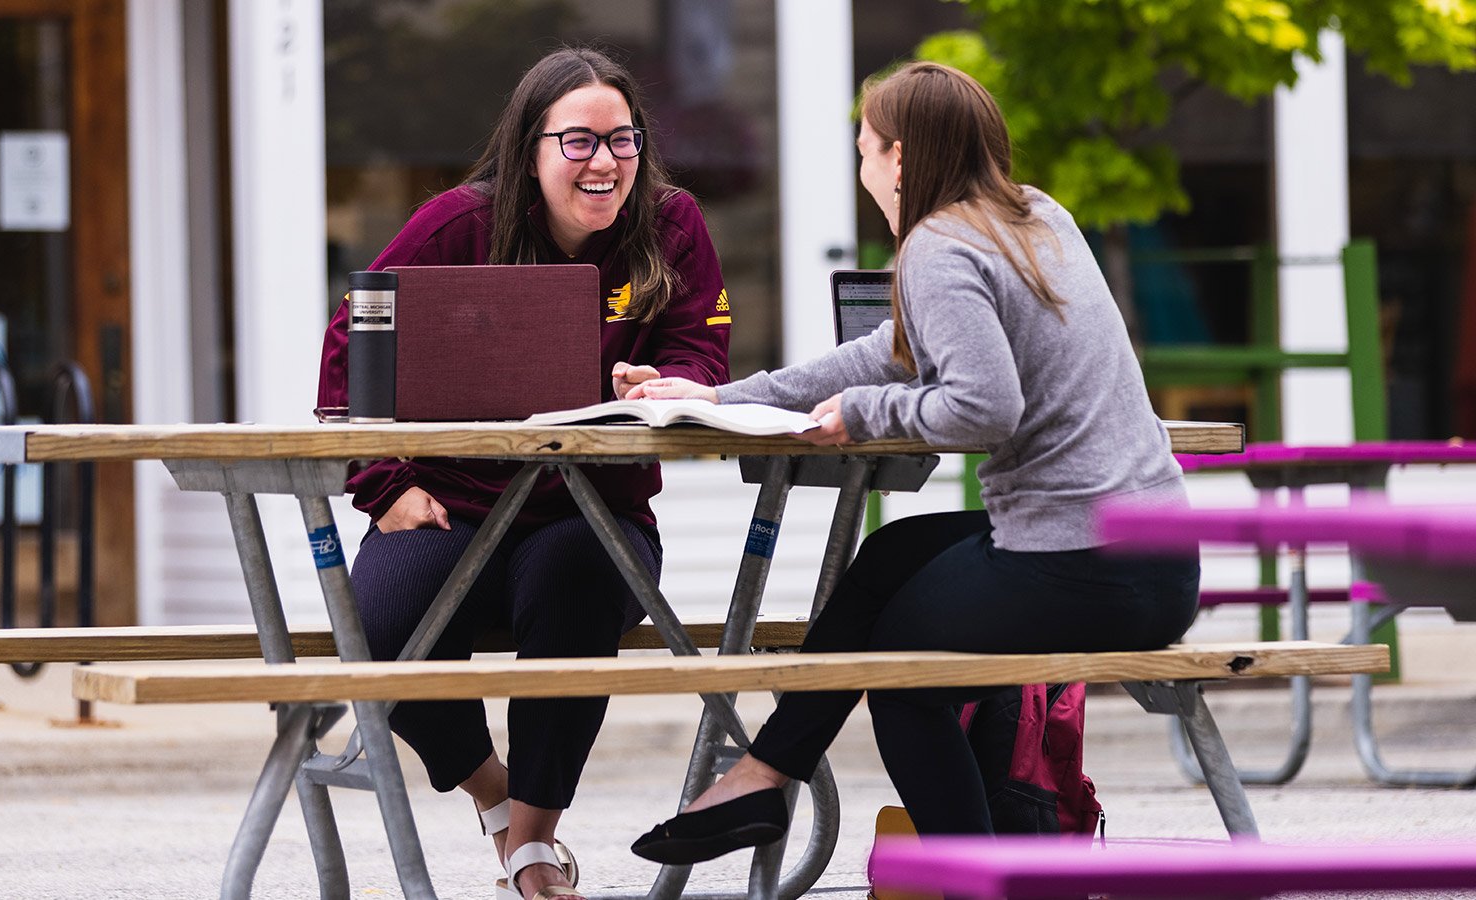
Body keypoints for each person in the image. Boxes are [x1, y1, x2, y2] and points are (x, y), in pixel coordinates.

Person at [625, 61, 1201, 863]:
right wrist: (725, 397)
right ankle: (762, 777)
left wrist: (862, 415)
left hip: (1084, 566)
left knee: (902, 674)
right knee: (892, 553)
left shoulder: (941, 246)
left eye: (864, 148)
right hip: (1161, 562)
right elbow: (889, 354)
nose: (861, 167)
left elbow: (983, 406)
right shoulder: (1035, 217)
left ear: (899, 157)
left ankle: (972, 879)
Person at [315, 47, 731, 900]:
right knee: (381, 626)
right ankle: (497, 796)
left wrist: (669, 384)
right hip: (450, 503)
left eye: (624, 140)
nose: (605, 162)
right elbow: (352, 352)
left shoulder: (675, 222)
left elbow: (702, 354)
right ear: (528, 148)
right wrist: (384, 485)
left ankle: (534, 844)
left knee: (579, 573)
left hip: (592, 510)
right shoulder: (453, 227)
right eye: (578, 142)